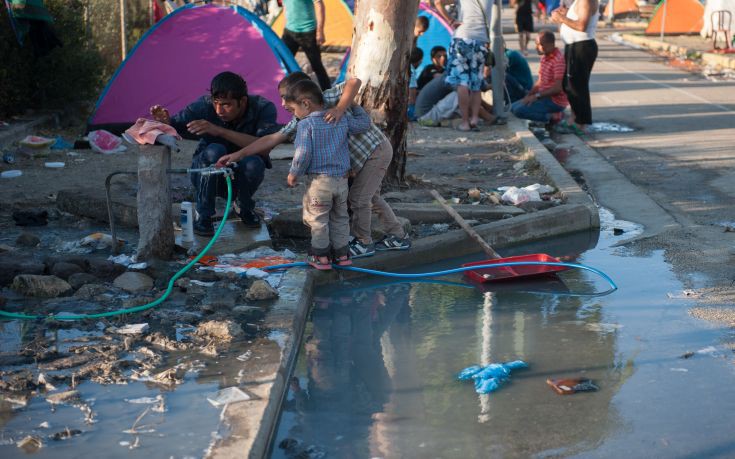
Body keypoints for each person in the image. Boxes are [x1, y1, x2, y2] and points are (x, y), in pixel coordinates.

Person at [216, 73, 412, 258]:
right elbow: (272, 138)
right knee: (369, 198)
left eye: (286, 98)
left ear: (303, 99)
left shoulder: (327, 98)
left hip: (375, 151)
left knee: (359, 199)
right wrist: (238, 154)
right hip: (362, 158)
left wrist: (339, 109)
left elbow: (354, 82)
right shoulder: (302, 119)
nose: (283, 104)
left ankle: (364, 242)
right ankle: (398, 236)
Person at [150, 71, 280, 236]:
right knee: (214, 150)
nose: (219, 110)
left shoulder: (263, 108)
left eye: (226, 104)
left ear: (243, 101)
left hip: (239, 179)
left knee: (254, 162)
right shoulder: (203, 106)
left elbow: (265, 147)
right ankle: (204, 215)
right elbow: (175, 125)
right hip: (206, 175)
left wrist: (219, 131)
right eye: (216, 103)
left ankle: (243, 206)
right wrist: (165, 122)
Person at [283, 80, 370, 269]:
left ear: (305, 103)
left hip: (319, 183)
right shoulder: (341, 118)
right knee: (340, 218)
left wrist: (294, 172)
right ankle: (343, 255)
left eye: (292, 109)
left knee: (318, 220)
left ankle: (321, 257)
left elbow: (303, 153)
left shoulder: (306, 124)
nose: (294, 115)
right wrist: (352, 105)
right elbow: (364, 124)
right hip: (341, 182)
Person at [434, 0, 494, 132]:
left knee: (463, 83)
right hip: (481, 41)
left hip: (462, 39)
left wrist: (450, 20)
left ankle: (465, 122)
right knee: (476, 83)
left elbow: (438, 2)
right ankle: (474, 119)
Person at [551, 0, 598, 132]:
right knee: (569, 85)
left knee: (577, 87)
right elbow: (578, 19)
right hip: (574, 45)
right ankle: (574, 118)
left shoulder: (586, 1)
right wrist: (566, 15)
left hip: (581, 46)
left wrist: (562, 18)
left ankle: (581, 123)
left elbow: (582, 26)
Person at [510, 30, 568, 125]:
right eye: (536, 44)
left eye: (540, 44)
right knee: (511, 108)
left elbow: (558, 88)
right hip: (543, 96)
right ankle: (549, 114)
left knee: (518, 111)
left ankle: (554, 117)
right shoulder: (545, 57)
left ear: (551, 44)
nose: (536, 47)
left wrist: (536, 96)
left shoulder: (558, 60)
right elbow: (540, 81)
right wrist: (529, 95)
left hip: (555, 101)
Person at [281, 0, 331, 91]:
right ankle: (284, 92)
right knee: (282, 63)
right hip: (289, 32)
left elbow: (319, 5)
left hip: (308, 32)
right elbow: (285, 6)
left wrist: (320, 32)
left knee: (317, 66)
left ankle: (328, 92)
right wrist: (285, 25)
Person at [407, 47, 424, 121]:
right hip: (408, 108)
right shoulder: (411, 71)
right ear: (420, 60)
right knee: (423, 120)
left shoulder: (404, 66)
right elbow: (412, 89)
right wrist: (412, 107)